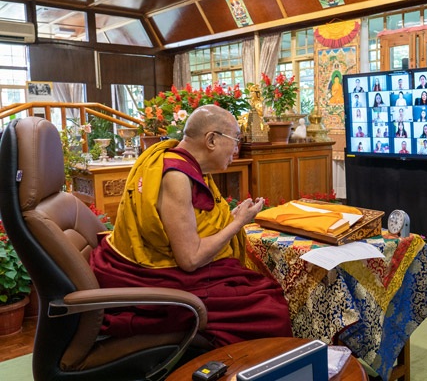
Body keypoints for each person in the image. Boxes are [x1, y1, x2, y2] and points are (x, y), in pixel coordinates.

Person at [88, 105, 293, 348]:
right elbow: (190, 259)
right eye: (236, 139)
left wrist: (228, 218)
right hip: (155, 278)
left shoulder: (183, 162)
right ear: (211, 140)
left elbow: (192, 224)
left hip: (166, 267)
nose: (237, 149)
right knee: (268, 310)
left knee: (258, 287)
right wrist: (237, 223)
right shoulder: (176, 175)